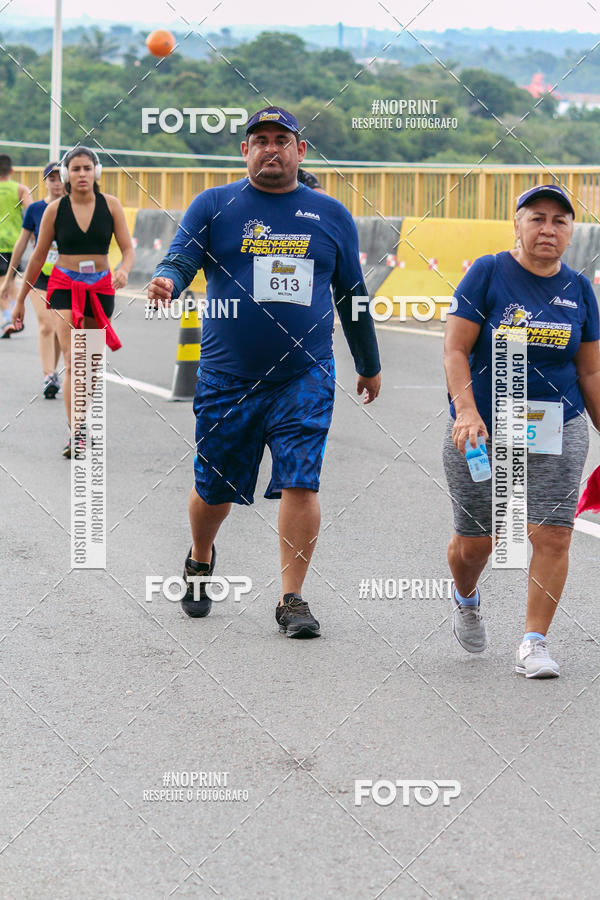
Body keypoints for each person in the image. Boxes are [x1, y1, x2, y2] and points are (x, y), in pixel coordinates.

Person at [148, 105, 381, 637]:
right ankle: (201, 556)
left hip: (306, 374)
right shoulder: (215, 204)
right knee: (215, 489)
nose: (270, 148)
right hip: (228, 377)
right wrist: (168, 279)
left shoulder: (329, 214)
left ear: (300, 151)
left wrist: (368, 364)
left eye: (282, 139)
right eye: (260, 140)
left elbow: (352, 296)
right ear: (245, 151)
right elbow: (182, 258)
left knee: (302, 479)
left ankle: (291, 597)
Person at [443, 184, 600, 678]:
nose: (548, 229)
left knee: (552, 536)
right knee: (477, 544)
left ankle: (534, 642)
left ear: (571, 230)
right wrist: (465, 412)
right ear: (517, 224)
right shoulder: (488, 273)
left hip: (559, 424)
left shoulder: (579, 289)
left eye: (559, 220)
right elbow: (454, 350)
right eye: (537, 218)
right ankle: (466, 596)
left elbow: (591, 372)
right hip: (484, 431)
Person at [12, 146, 135, 457]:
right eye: (76, 169)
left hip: (101, 287)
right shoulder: (55, 210)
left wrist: (123, 270)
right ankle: (76, 431)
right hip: (65, 284)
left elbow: (128, 249)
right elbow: (38, 256)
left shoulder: (112, 205)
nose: (83, 174)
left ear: (97, 172)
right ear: (67, 174)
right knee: (74, 358)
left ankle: (82, 420)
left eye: (87, 168)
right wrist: (20, 300)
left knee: (91, 363)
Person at [1, 162, 64, 395]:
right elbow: (21, 244)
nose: (56, 183)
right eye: (51, 178)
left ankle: (54, 371)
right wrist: (9, 278)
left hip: (66, 276)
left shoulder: (73, 206)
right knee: (46, 324)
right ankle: (48, 374)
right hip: (40, 275)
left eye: (59, 178)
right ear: (45, 181)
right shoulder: (36, 209)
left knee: (59, 328)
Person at [0, 154, 31, 337]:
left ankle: (8, 318)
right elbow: (32, 211)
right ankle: (15, 315)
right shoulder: (20, 189)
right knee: (10, 280)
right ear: (11, 171)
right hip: (15, 243)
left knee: (2, 282)